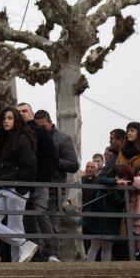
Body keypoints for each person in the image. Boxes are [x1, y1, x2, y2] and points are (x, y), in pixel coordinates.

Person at [0, 106, 39, 263]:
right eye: (4, 119)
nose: (6, 121)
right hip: (1, 188)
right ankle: (24, 244)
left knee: (15, 227)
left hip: (15, 189)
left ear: (16, 120)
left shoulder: (22, 139)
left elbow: (30, 164)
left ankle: (17, 264)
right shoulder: (1, 140)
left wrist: (21, 188)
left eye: (10, 118)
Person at [32, 109, 80, 262]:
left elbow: (73, 165)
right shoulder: (32, 136)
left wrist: (50, 160)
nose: (40, 130)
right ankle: (39, 254)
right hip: (36, 185)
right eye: (38, 127)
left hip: (54, 187)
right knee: (34, 221)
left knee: (52, 222)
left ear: (50, 123)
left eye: (43, 127)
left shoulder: (63, 139)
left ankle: (52, 254)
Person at [17, 103, 56, 261]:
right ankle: (35, 255)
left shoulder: (41, 132)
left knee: (42, 216)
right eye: (18, 111)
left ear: (31, 113)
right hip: (21, 184)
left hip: (38, 183)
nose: (22, 114)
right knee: (27, 220)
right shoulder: (15, 133)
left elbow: (52, 158)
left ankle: (51, 252)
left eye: (25, 111)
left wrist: (41, 179)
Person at [83, 164, 125, 262]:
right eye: (117, 175)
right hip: (101, 218)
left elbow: (119, 201)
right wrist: (116, 182)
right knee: (95, 244)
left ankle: (106, 267)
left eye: (122, 176)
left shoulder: (122, 188)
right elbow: (100, 180)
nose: (119, 178)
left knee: (107, 246)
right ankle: (89, 267)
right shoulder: (106, 181)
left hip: (112, 220)